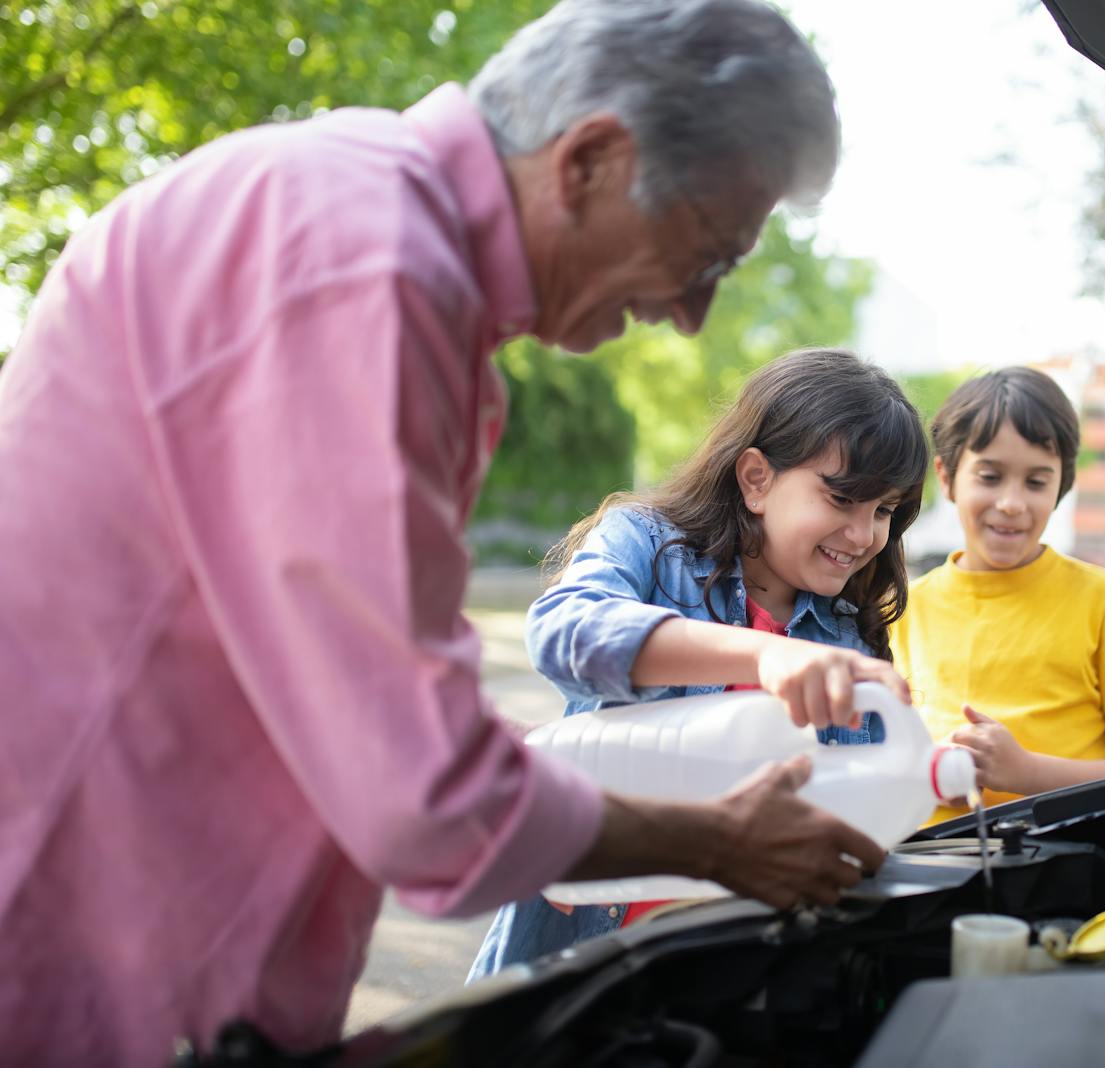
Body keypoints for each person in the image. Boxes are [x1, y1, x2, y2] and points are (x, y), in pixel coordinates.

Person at [0, 2, 886, 1063]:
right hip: (76, 959)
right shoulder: (364, 269)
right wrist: (720, 844)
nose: (691, 315)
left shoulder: (364, 229)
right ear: (591, 160)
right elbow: (428, 795)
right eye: (703, 254)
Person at [468, 347, 928, 978]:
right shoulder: (647, 544)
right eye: (843, 499)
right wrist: (767, 654)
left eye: (884, 511)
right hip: (585, 936)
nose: (864, 535)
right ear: (757, 479)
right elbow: (564, 630)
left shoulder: (849, 637)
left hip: (730, 966)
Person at [889, 367, 1105, 823]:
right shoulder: (902, 607)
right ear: (946, 477)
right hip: (928, 864)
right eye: (989, 476)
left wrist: (1025, 771)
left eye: (1036, 482)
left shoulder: (1104, 600)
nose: (1011, 503)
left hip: (1066, 863)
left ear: (1062, 485)